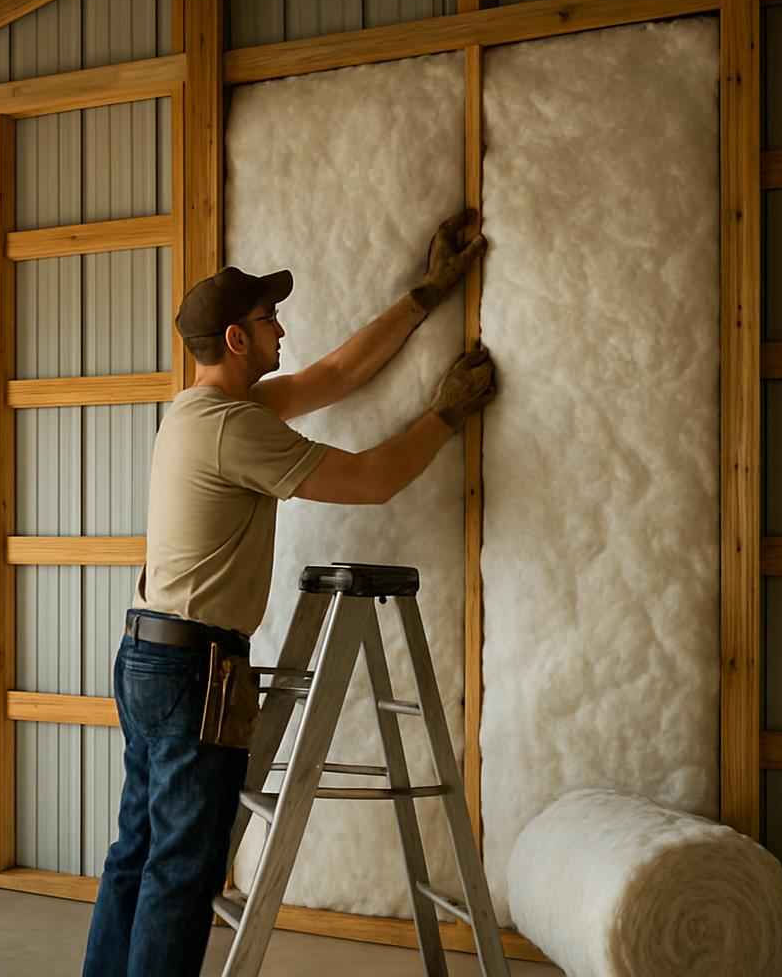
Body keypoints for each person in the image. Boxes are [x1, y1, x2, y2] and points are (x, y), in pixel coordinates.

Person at [80, 210, 496, 976]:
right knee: (181, 871)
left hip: (148, 652)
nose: (282, 332)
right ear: (237, 339)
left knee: (138, 853)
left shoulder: (201, 410)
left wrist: (425, 296)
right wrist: (445, 416)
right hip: (191, 671)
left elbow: (333, 376)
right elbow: (371, 482)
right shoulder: (236, 431)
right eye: (270, 320)